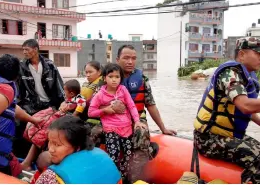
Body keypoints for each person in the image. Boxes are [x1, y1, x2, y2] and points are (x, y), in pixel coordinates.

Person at [193, 37, 260, 184]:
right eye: (258, 54)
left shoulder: (247, 76)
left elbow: (243, 109)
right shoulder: (229, 74)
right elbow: (245, 105)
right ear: (242, 54)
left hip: (225, 135)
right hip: (208, 138)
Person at [112, 44, 177, 182]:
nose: (130, 62)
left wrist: (163, 128)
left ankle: (133, 179)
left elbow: (151, 105)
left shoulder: (142, 79)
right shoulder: (108, 77)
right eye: (126, 58)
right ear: (117, 59)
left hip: (137, 120)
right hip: (113, 119)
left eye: (133, 58)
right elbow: (96, 102)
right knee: (94, 132)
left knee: (142, 135)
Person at [88, 63, 145, 180]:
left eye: (117, 77)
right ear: (104, 78)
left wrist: (137, 121)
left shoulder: (123, 90)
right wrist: (105, 110)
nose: (114, 80)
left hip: (127, 128)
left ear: (120, 78)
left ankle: (123, 179)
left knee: (128, 154)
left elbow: (131, 106)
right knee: (113, 155)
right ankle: (112, 178)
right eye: (111, 77)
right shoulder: (100, 95)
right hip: (111, 129)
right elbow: (91, 112)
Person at [16, 39, 65, 158]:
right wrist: (19, 105)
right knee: (21, 126)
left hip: (50, 104)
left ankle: (46, 156)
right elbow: (20, 89)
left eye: (27, 49)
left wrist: (62, 102)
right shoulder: (22, 66)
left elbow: (58, 85)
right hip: (33, 104)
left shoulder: (50, 65)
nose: (24, 52)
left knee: (48, 130)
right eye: (23, 50)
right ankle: (23, 156)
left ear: (35, 49)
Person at [21, 79, 86, 171]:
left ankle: (28, 162)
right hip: (63, 121)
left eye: (65, 91)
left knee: (43, 134)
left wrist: (67, 115)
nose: (64, 93)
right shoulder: (69, 99)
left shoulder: (80, 100)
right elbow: (64, 105)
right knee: (41, 134)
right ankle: (28, 162)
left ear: (71, 93)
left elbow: (76, 113)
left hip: (68, 123)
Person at [36, 115, 121, 184]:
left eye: (57, 145)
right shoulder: (102, 154)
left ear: (77, 146)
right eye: (49, 142)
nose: (50, 149)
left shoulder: (51, 177)